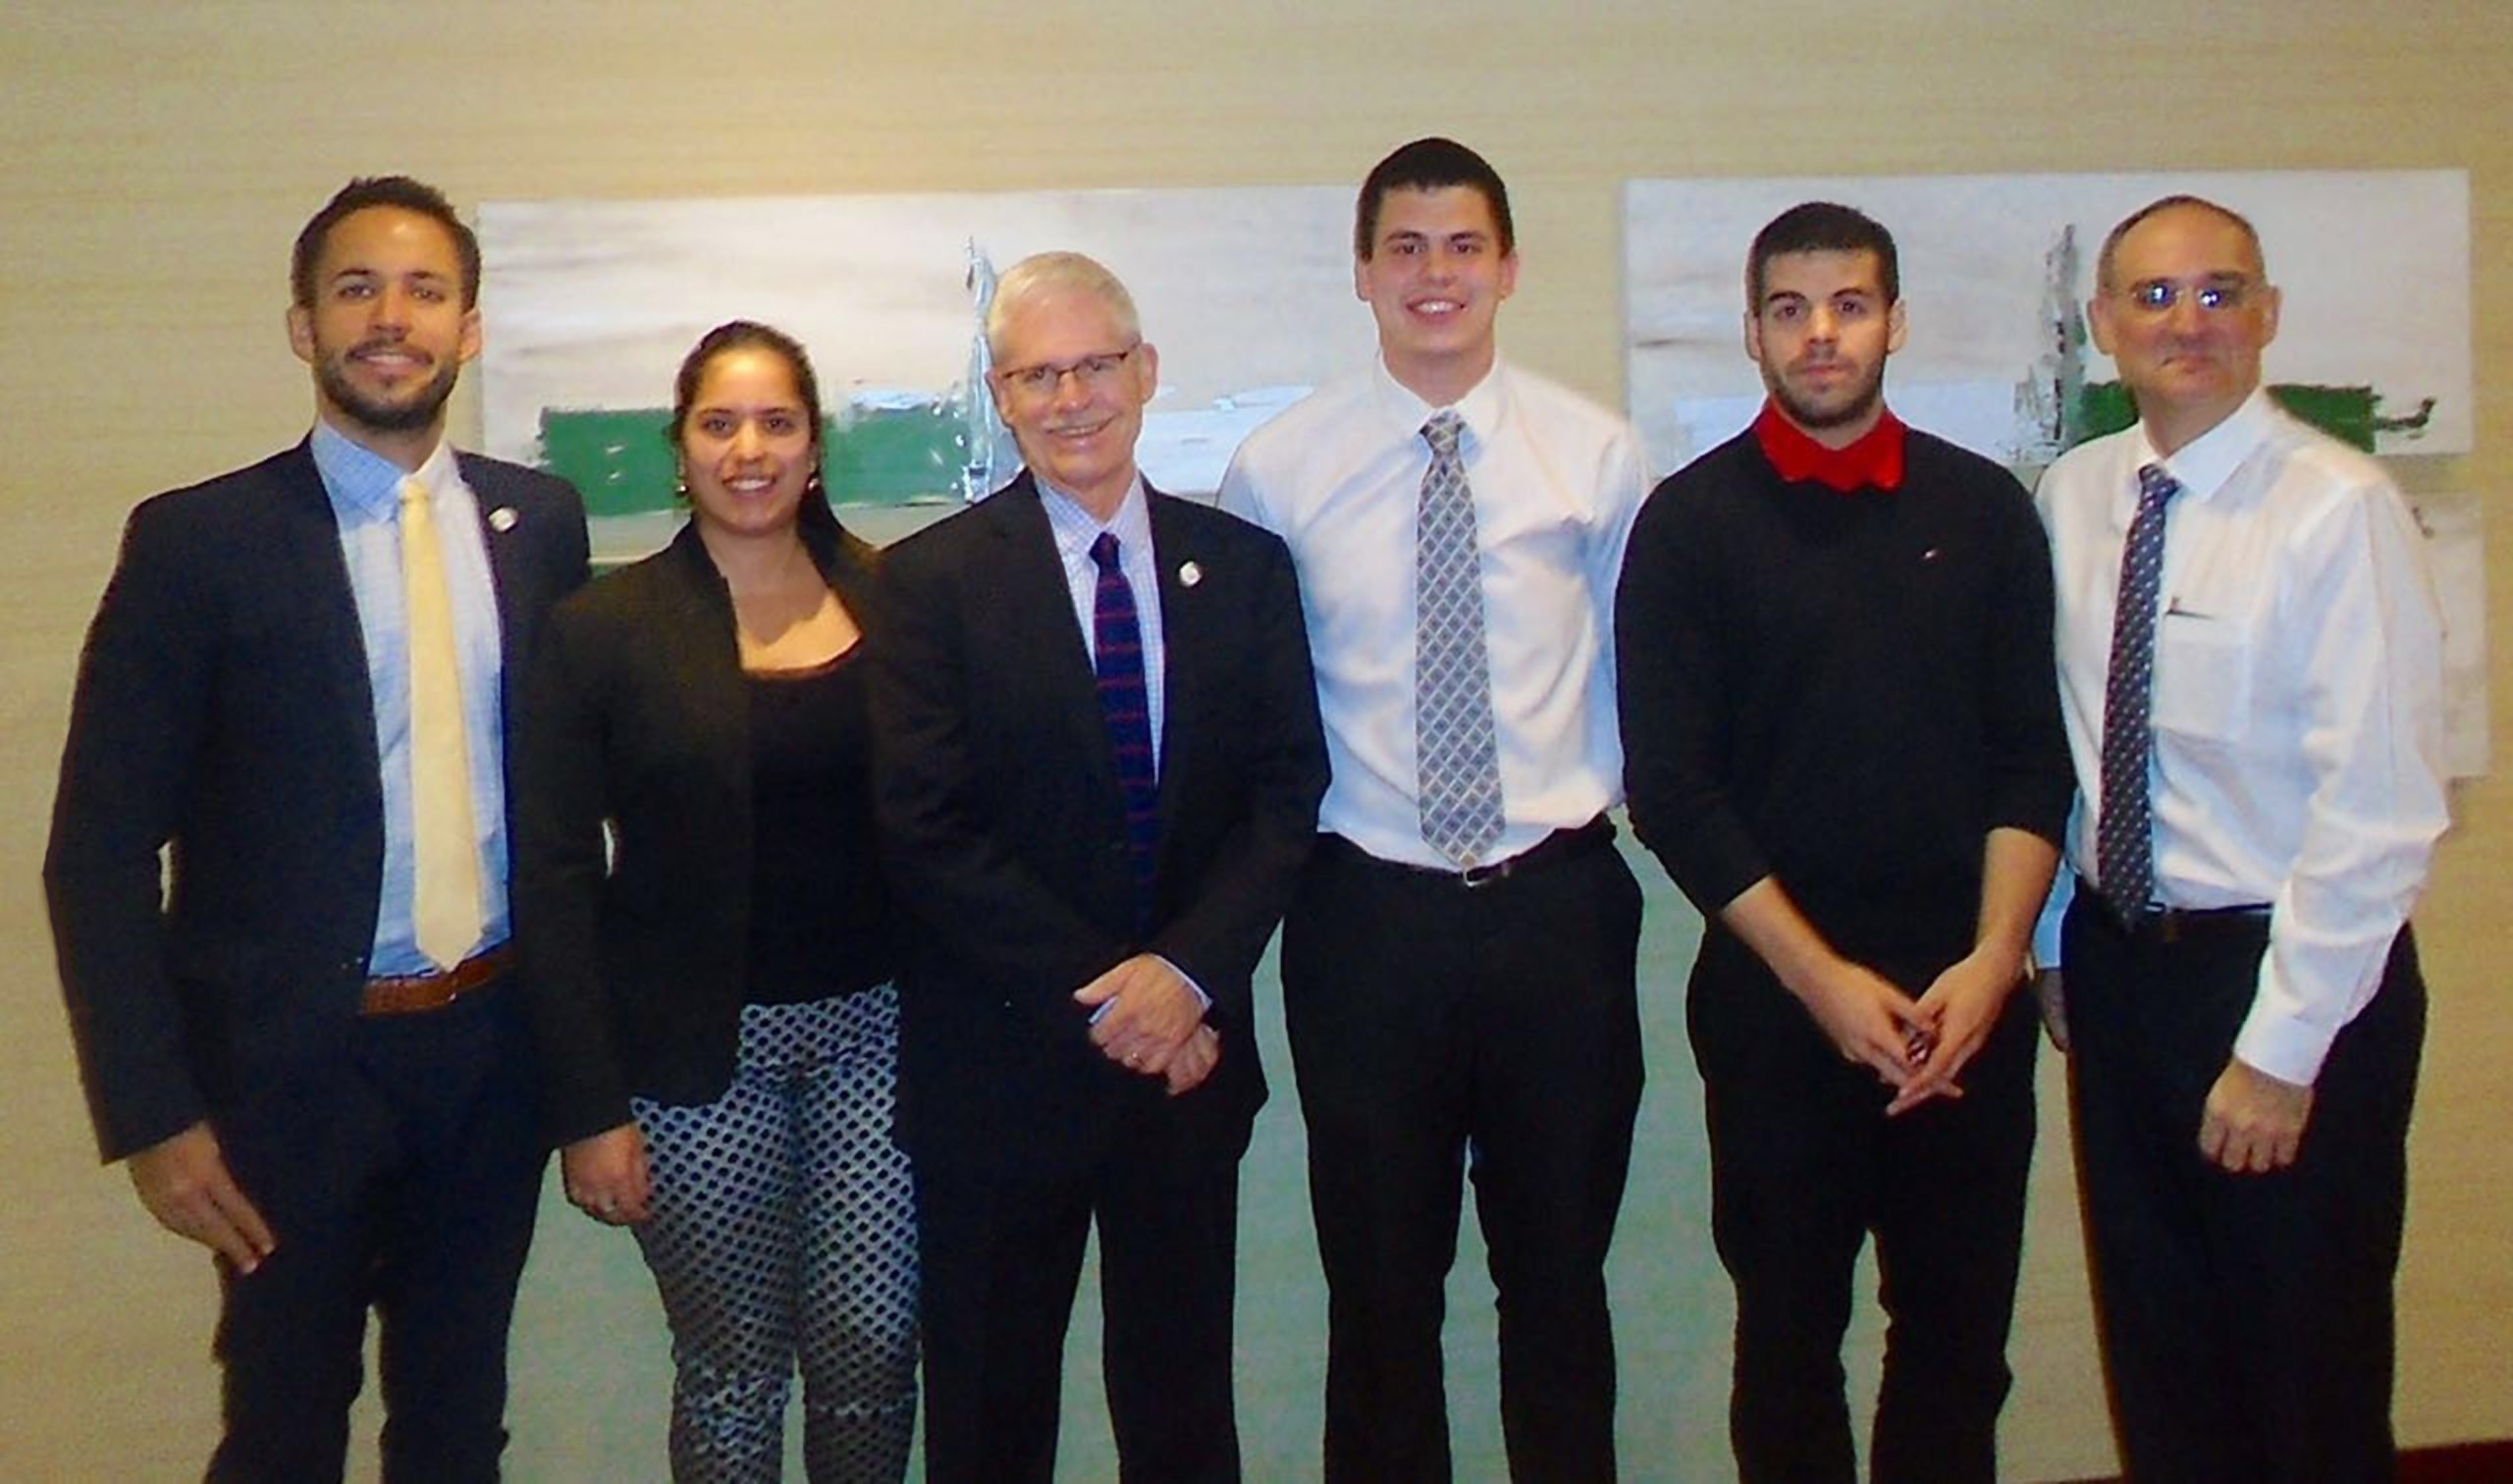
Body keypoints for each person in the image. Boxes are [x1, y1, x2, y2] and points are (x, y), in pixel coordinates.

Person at [42, 176, 589, 1481]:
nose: (389, 318)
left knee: (458, 1424)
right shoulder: (198, 543)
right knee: (283, 1429)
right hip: (284, 1080)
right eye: (356, 289)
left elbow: (574, 807)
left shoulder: (541, 525)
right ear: (302, 326)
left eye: (424, 291)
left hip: (489, 1051)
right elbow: (99, 852)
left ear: (470, 328)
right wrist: (154, 1111)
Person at [1617, 201, 2072, 1482]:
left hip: (1964, 1002)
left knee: (1956, 1349)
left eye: (1850, 305)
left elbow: (2031, 761)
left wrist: (1994, 968)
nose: (1822, 335)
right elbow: (1675, 794)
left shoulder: (1985, 514)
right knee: (1787, 1349)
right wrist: (1821, 987)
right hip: (1777, 1010)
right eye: (1790, 309)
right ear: (1752, 334)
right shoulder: (1690, 526)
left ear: (1894, 322)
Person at [1218, 137, 1650, 1482]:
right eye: (1405, 248)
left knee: (1560, 1286)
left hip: (1557, 913)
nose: (1435, 274)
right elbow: (1254, 723)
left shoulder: (1597, 453)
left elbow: (1642, 678)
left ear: (1509, 266)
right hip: (1366, 921)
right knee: (1381, 1299)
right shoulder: (1279, 472)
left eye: (1463, 245)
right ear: (1361, 274)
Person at [869, 250, 1328, 1483]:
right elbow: (926, 830)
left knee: (1182, 1419)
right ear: (1001, 395)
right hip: (1001, 1078)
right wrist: (1122, 995)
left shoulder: (1241, 571)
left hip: (1186, 1076)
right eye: (1036, 375)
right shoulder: (924, 587)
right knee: (989, 1422)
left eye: (1095, 366)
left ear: (1146, 373)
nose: (1071, 398)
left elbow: (1287, 796)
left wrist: (1185, 976)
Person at [2034, 194, 2447, 1479]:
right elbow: (2069, 743)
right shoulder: (2078, 495)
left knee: (2302, 1375)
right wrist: (2057, 944)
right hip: (2123, 979)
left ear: (2268, 316)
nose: (2188, 323)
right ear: (2105, 325)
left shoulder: (2338, 507)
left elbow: (2379, 812)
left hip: (2292, 984)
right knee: (2159, 1359)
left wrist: (2281, 1053)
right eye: (2154, 297)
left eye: (2220, 293)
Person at [512, 321, 918, 1480]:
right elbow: (552, 877)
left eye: (778, 422)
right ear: (679, 450)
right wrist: (589, 1108)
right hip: (694, 1063)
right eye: (719, 423)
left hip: (877, 1043)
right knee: (735, 1366)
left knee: (873, 1350)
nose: (750, 449)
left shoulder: (897, 603)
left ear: (815, 447)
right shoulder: (602, 632)